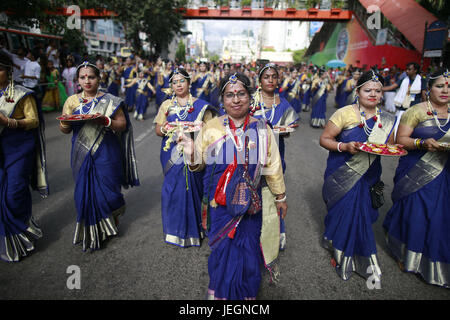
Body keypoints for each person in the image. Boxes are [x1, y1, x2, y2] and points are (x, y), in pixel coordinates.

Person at [178, 73, 287, 300]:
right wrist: (191, 154)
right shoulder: (211, 127)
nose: (236, 100)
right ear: (222, 99)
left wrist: (280, 196)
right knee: (222, 251)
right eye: (230, 95)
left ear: (250, 97)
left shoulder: (262, 128)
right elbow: (198, 166)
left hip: (251, 203)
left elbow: (273, 165)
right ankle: (220, 295)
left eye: (241, 94)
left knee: (248, 250)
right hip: (220, 204)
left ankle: (246, 296)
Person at [319, 70, 396, 283]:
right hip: (343, 172)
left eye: (378, 91)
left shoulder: (387, 119)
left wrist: (389, 147)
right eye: (368, 90)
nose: (373, 94)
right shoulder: (344, 113)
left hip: (369, 175)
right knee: (344, 212)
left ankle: (354, 251)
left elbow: (390, 145)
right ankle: (340, 250)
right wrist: (343, 146)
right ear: (358, 91)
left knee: (363, 214)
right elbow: (325, 139)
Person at [59, 61, 139, 251]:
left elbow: (122, 125)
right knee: (83, 193)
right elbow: (64, 128)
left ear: (99, 78)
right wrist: (65, 122)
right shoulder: (72, 101)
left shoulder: (111, 100)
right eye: (82, 77)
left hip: (106, 150)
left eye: (91, 77)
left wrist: (106, 120)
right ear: (77, 80)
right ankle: (92, 231)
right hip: (81, 151)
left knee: (108, 190)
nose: (87, 81)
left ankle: (110, 223)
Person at [383, 68, 449, 288]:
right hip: (415, 171)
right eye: (440, 85)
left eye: (448, 86)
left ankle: (433, 261)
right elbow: (400, 140)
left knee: (440, 217)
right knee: (417, 213)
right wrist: (423, 143)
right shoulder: (416, 111)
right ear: (427, 89)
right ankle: (406, 255)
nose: (445, 90)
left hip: (443, 171)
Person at [154, 68, 214, 247]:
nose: (178, 84)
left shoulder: (201, 105)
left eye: (182, 81)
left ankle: (197, 229)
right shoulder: (166, 106)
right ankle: (174, 232)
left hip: (194, 153)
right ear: (171, 86)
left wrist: (202, 127)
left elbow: (212, 132)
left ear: (189, 83)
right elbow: (158, 129)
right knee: (172, 190)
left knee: (194, 189)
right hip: (171, 152)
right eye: (174, 82)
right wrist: (165, 128)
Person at [0, 51, 48, 262]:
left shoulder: (22, 94)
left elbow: (34, 121)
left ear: (9, 70)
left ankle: (24, 233)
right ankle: (8, 241)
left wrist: (8, 122)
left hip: (18, 148)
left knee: (14, 192)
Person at [250, 63, 298, 251]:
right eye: (266, 77)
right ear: (260, 81)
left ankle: (275, 235)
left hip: (277, 154)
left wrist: (283, 130)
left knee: (274, 192)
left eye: (274, 77)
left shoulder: (283, 103)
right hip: (253, 155)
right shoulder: (251, 100)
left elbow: (291, 125)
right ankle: (251, 232)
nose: (270, 80)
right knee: (252, 192)